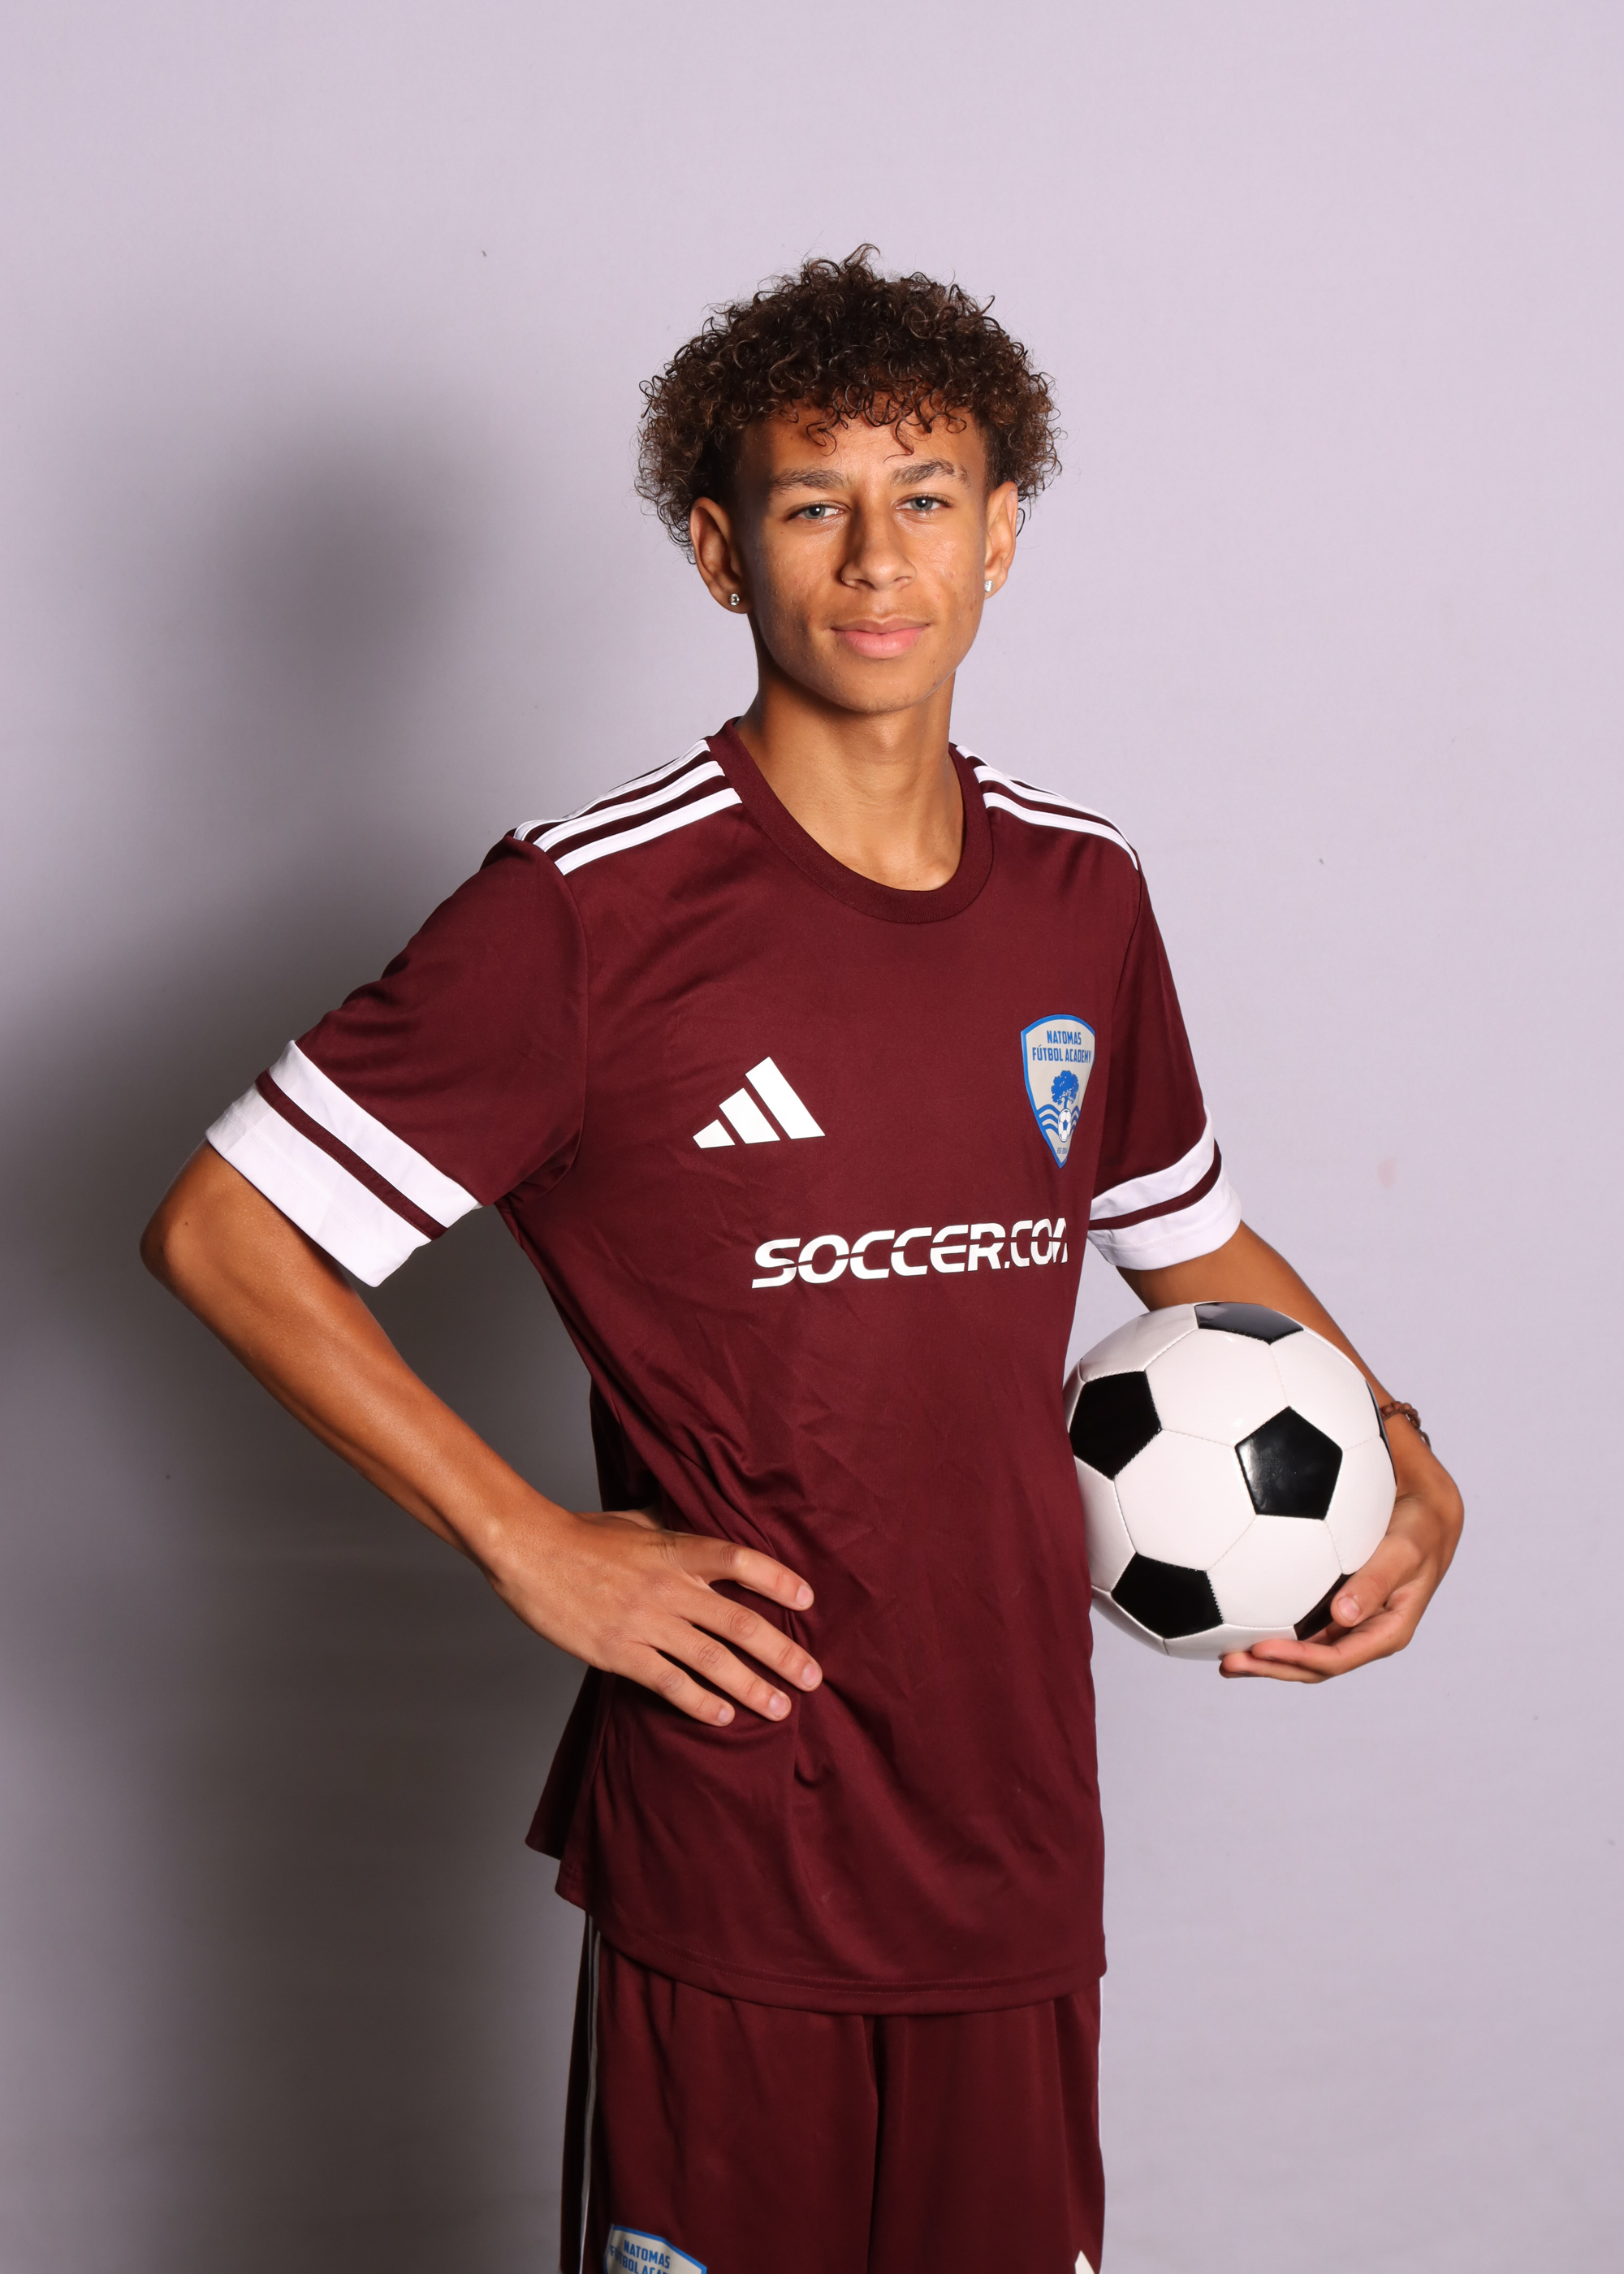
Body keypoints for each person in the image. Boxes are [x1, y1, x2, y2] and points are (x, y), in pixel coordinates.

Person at [141, 248, 1464, 2274]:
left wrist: (1393, 1447)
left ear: (999, 535)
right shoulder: (588, 913)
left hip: (1015, 1842)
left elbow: (1190, 1240)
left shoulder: (1081, 894)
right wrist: (525, 1536)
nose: (873, 557)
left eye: (924, 496)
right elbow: (224, 1229)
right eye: (809, 503)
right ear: (716, 547)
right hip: (737, 1846)